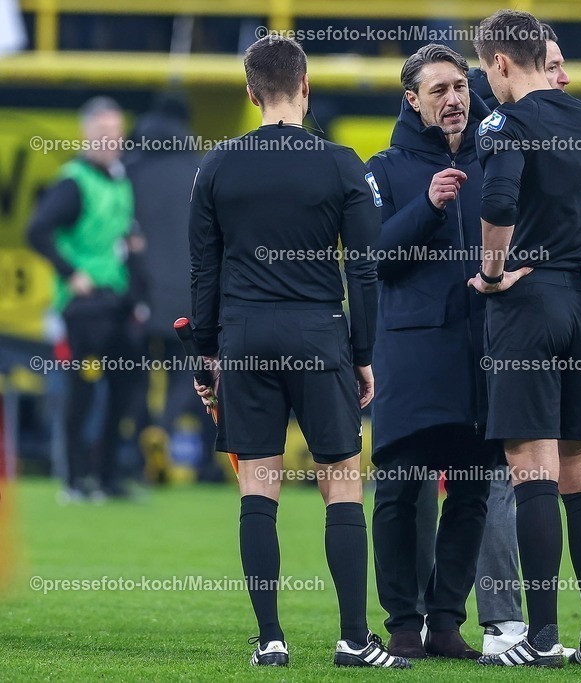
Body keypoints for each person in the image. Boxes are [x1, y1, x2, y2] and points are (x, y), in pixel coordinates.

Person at [189, 35, 407, 669]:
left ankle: (271, 639)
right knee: (341, 482)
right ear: (306, 88)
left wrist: (208, 356)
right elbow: (363, 271)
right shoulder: (342, 165)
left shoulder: (217, 165)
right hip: (318, 335)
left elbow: (203, 269)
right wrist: (362, 353)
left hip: (245, 336)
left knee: (259, 486)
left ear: (251, 93)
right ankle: (352, 639)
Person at [469, 9, 581, 668]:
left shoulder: (506, 122)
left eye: (488, 68)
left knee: (531, 468)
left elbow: (501, 201)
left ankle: (541, 633)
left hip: (527, 304)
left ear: (503, 63)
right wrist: (568, 227)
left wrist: (492, 270)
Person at [367, 42, 500, 661]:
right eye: (439, 90)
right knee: (399, 488)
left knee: (471, 490)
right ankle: (402, 622)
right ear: (412, 100)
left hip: (481, 354)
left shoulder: (497, 160)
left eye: (460, 87)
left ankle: (446, 622)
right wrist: (428, 205)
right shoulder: (384, 169)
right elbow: (373, 259)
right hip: (412, 356)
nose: (454, 99)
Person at [28, 96, 141, 502]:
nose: (112, 139)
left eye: (117, 132)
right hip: (84, 309)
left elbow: (120, 234)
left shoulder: (119, 178)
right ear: (86, 134)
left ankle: (108, 477)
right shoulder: (73, 180)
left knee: (126, 388)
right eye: (103, 132)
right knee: (82, 393)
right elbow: (37, 230)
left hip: (115, 303)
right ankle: (75, 481)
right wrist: (71, 273)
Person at [125, 93, 219, 481]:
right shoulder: (199, 170)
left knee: (134, 373)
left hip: (138, 292)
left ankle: (139, 447)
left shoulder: (126, 170)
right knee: (194, 375)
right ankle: (192, 453)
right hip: (190, 293)